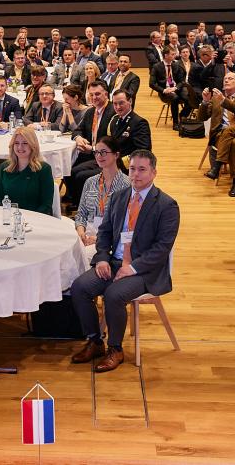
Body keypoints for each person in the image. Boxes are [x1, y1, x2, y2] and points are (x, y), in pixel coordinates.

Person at [69, 150, 178, 373]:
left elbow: (161, 248)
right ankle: (95, 341)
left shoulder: (167, 205)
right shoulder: (119, 197)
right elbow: (105, 232)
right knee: (79, 287)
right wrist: (101, 258)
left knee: (113, 295)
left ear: (154, 173)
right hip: (115, 261)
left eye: (142, 170)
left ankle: (115, 349)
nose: (135, 175)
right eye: (132, 169)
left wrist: (133, 268)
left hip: (144, 270)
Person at [200, 73, 235, 196]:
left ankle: (217, 166)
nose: (226, 80)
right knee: (233, 142)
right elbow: (202, 117)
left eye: (230, 78)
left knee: (229, 130)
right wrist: (204, 101)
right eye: (225, 79)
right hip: (221, 136)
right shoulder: (215, 99)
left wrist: (224, 101)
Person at [64, 81, 114, 206]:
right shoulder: (91, 111)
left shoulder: (113, 112)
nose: (94, 97)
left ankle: (86, 206)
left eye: (97, 94)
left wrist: (92, 148)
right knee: (67, 168)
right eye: (91, 95)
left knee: (80, 175)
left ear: (106, 94)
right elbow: (77, 130)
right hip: (90, 154)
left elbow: (112, 142)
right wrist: (78, 138)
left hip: (105, 156)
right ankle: (76, 200)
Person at [74, 136, 130, 246]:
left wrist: (100, 238)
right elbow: (81, 213)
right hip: (87, 234)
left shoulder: (127, 186)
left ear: (116, 155)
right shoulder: (90, 182)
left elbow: (126, 224)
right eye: (97, 152)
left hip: (112, 238)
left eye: (104, 152)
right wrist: (81, 232)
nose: (99, 156)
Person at [0, 127, 54, 215]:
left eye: (25, 143)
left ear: (33, 145)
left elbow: (46, 205)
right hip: (9, 219)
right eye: (16, 143)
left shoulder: (44, 169)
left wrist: (28, 219)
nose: (20, 147)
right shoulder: (4, 167)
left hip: (37, 220)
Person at [150, 47, 187, 129]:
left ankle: (182, 116)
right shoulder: (157, 66)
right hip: (164, 92)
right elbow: (151, 84)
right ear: (166, 55)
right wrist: (164, 90)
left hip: (176, 89)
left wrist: (175, 88)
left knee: (189, 96)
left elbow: (182, 81)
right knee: (175, 98)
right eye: (172, 54)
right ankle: (175, 123)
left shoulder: (176, 65)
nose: (175, 55)